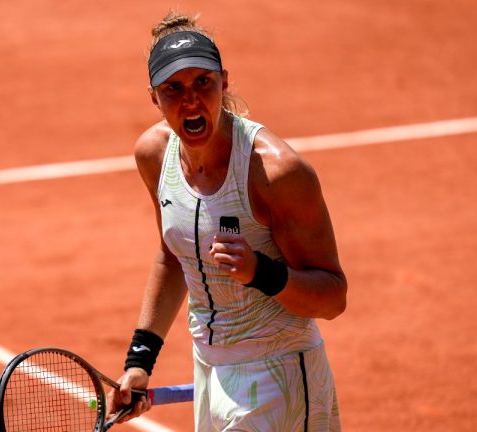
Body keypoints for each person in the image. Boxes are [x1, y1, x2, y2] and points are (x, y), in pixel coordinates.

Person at [108, 11, 347, 431]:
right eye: (173, 88)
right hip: (208, 370)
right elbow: (173, 256)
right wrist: (139, 361)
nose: (191, 100)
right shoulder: (154, 155)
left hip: (280, 376)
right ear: (154, 98)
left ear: (225, 81)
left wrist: (261, 272)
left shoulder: (275, 173)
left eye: (203, 81)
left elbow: (332, 298)